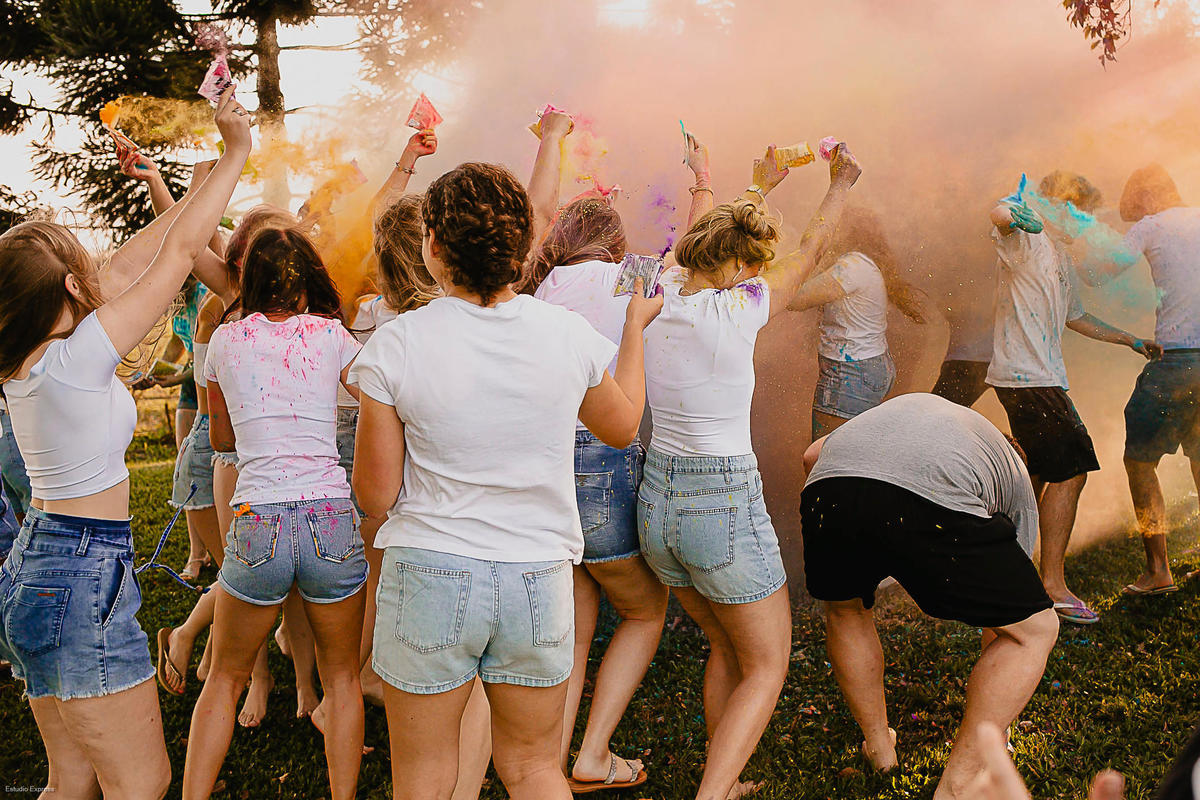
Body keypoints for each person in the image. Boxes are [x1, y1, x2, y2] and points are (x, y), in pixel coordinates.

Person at [350, 162, 660, 800]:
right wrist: (632, 331)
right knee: (533, 769)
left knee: (425, 777)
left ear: (433, 246)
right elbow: (624, 426)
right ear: (521, 248)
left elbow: (375, 498)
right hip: (537, 578)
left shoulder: (394, 344)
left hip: (429, 573)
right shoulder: (567, 336)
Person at [0, 87, 250, 799]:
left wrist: (178, 183)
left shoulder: (30, 353)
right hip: (79, 576)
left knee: (70, 782)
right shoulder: (76, 358)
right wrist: (236, 153)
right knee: (141, 785)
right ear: (74, 289)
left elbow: (151, 248)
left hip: (37, 567)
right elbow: (171, 259)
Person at [638, 142, 861, 800]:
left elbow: (706, 242)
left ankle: (725, 782)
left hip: (659, 505)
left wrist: (743, 188)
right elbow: (812, 248)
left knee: (727, 646)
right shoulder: (742, 307)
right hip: (720, 506)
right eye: (752, 263)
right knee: (767, 663)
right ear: (739, 264)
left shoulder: (660, 289)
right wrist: (839, 185)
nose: (757, 272)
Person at [183, 226, 368, 800]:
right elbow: (380, 395)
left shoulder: (226, 342)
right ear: (308, 276)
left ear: (249, 280)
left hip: (258, 518)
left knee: (224, 678)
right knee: (342, 680)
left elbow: (221, 438)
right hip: (330, 516)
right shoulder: (335, 337)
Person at [800, 393, 1060, 799]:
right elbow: (1005, 618)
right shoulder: (1015, 476)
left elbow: (812, 455)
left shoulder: (929, 413)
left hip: (828, 484)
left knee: (846, 611)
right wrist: (999, 714)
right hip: (929, 489)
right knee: (1035, 630)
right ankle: (957, 786)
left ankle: (881, 750)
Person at [526, 170, 669, 789]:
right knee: (643, 611)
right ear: (614, 242)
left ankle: (552, 763)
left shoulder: (535, 291)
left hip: (546, 474)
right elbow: (697, 257)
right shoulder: (632, 274)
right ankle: (592, 754)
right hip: (604, 463)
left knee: (577, 624)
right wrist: (704, 185)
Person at [987, 172, 1159, 625]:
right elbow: (1000, 216)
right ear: (1062, 204)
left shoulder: (1060, 254)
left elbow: (1077, 316)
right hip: (1026, 377)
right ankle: (1051, 585)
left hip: (1038, 377)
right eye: (1082, 213)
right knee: (1074, 468)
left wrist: (1130, 340)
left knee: (1038, 472)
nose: (1086, 224)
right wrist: (1014, 214)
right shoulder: (1027, 240)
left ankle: (1003, 566)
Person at [1075, 165, 1200, 596]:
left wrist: (1078, 238)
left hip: (1176, 362)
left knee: (1139, 462)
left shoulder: (1152, 225)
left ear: (1147, 197)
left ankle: (1158, 570)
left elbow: (1097, 274)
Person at [786, 206, 927, 438]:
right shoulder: (864, 264)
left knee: (826, 454)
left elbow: (795, 298)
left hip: (849, 374)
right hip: (867, 366)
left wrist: (795, 261)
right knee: (852, 451)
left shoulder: (852, 267)